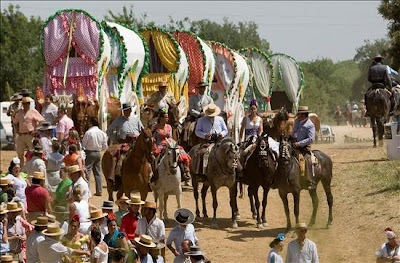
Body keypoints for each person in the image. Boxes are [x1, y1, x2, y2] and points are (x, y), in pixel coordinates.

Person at [152, 109, 191, 182]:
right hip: (159, 144)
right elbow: (153, 137)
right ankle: (154, 174)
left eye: (167, 117)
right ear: (161, 118)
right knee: (155, 157)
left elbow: (170, 137)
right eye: (166, 117)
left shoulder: (169, 127)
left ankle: (184, 171)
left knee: (179, 153)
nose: (167, 119)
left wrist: (170, 143)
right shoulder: (155, 127)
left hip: (169, 143)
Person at [193, 104, 228, 175]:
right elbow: (197, 131)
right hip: (207, 141)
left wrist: (222, 134)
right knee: (202, 153)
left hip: (219, 141)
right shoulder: (201, 120)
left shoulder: (220, 119)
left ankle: (235, 172)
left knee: (231, 152)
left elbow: (225, 130)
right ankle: (200, 173)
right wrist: (205, 135)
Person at [13, 96, 45, 167]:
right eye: (24, 103)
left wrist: (36, 130)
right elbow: (15, 122)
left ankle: (31, 167)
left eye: (26, 103)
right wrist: (17, 130)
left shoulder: (33, 111)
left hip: (30, 135)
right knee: (20, 153)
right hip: (21, 135)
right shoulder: (19, 112)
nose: (25, 105)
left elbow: (42, 121)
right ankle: (21, 168)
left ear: (29, 104)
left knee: (32, 152)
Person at [291, 106, 316, 190]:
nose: (298, 115)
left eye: (299, 114)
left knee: (307, 160)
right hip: (293, 144)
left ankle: (310, 181)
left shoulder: (310, 125)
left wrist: (299, 144)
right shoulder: (296, 121)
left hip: (304, 147)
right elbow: (293, 132)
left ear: (303, 115)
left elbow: (311, 138)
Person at [82, 116, 108, 196]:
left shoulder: (88, 132)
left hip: (89, 153)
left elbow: (83, 144)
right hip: (98, 153)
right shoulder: (102, 133)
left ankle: (87, 190)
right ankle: (99, 190)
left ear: (91, 123)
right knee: (98, 172)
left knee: (87, 172)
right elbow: (105, 146)